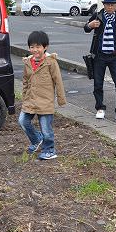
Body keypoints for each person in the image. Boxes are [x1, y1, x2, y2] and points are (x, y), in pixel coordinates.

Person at [19, 31, 66, 161]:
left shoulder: (51, 62)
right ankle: (36, 139)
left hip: (45, 101)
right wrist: (24, 97)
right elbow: (25, 81)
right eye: (32, 47)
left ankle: (49, 150)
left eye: (38, 47)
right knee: (23, 121)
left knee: (46, 128)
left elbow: (58, 81)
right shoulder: (28, 62)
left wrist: (61, 99)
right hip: (30, 100)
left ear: (45, 47)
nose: (35, 50)